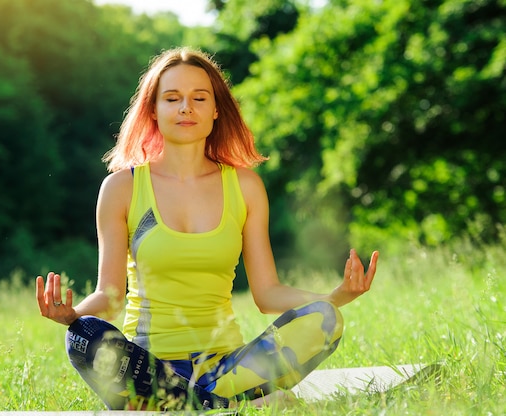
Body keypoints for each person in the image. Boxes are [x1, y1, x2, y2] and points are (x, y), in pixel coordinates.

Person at [36, 46, 378, 411]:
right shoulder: (122, 188)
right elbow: (111, 295)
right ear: (153, 109)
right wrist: (71, 316)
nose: (186, 108)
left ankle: (185, 406)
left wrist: (337, 296)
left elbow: (267, 293)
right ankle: (225, 408)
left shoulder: (245, 186)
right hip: (146, 368)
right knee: (82, 338)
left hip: (227, 369)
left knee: (325, 319)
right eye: (172, 98)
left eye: (199, 98)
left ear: (216, 110)